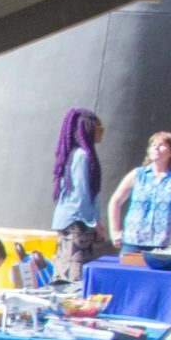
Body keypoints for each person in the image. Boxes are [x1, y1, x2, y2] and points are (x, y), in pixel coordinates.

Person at [108, 130, 171, 253]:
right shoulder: (137, 174)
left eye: (161, 145)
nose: (156, 148)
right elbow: (115, 201)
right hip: (134, 242)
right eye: (153, 145)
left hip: (167, 243)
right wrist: (114, 230)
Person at [49, 107, 110, 282]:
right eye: (99, 128)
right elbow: (81, 195)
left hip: (69, 222)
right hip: (77, 224)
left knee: (64, 269)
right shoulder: (82, 156)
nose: (102, 133)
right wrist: (95, 223)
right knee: (73, 275)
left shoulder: (74, 155)